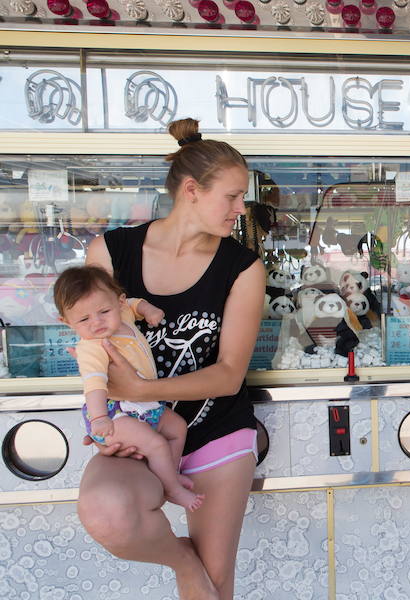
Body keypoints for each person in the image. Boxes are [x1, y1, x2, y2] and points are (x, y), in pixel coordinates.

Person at [76, 117, 265, 600]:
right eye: (233, 196)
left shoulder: (241, 266)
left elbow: (227, 376)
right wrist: (107, 412)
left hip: (215, 428)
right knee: (107, 513)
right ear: (191, 190)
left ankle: (198, 571)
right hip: (138, 429)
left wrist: (142, 390)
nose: (241, 210)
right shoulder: (113, 250)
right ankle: (183, 560)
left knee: (216, 584)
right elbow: (90, 336)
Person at [55, 266, 204, 512]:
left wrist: (148, 310)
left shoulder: (122, 315)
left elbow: (135, 304)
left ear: (118, 301)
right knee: (156, 444)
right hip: (115, 413)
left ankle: (171, 474)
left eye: (104, 311)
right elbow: (93, 384)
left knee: (177, 428)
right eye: (83, 319)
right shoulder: (91, 347)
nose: (97, 322)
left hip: (144, 405)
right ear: (66, 322)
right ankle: (171, 489)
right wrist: (100, 418)